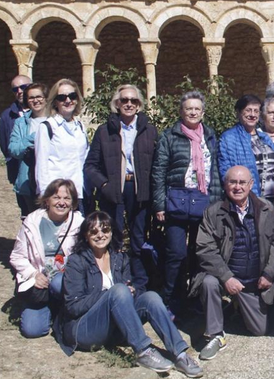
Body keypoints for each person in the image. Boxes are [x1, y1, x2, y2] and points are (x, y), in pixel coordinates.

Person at [56, 211, 203, 377]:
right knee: (118, 290)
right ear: (86, 235)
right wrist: (109, 294)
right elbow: (73, 306)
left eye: (105, 230)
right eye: (94, 232)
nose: (100, 235)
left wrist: (132, 292)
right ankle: (143, 352)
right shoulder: (77, 261)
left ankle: (180, 354)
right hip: (84, 329)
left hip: (114, 328)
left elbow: (130, 291)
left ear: (111, 232)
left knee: (151, 298)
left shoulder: (119, 258)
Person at [191, 166, 274, 359]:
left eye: (242, 182)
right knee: (208, 282)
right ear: (225, 185)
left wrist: (269, 273)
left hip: (252, 281)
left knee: (260, 329)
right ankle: (216, 334)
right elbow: (205, 249)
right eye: (232, 182)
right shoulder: (213, 213)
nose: (237, 187)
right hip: (225, 276)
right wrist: (226, 277)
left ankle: (232, 309)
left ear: (251, 184)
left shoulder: (266, 208)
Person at [152, 91, 222, 313]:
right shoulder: (170, 136)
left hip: (203, 202)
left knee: (198, 253)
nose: (193, 112)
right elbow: (159, 171)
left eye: (197, 109)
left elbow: (216, 173)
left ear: (202, 112)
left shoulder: (210, 136)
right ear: (181, 112)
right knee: (176, 253)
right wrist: (160, 205)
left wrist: (216, 203)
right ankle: (171, 299)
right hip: (177, 202)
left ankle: (194, 297)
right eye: (188, 108)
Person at [84, 84, 157, 293]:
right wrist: (105, 185)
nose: (128, 104)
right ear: (117, 103)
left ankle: (140, 284)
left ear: (139, 105)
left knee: (138, 238)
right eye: (124, 100)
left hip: (139, 190)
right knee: (113, 236)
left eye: (133, 101)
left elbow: (156, 163)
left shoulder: (149, 130)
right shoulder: (104, 131)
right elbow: (90, 165)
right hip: (114, 190)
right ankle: (116, 282)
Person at [10, 179, 83, 338]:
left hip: (64, 279)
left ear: (73, 203)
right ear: (47, 200)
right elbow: (17, 256)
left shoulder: (79, 223)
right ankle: (49, 306)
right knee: (32, 330)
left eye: (67, 198)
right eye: (56, 197)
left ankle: (62, 309)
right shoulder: (32, 222)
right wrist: (33, 275)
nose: (61, 203)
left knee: (58, 283)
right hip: (39, 281)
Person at [218, 94, 274, 217]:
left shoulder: (265, 138)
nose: (252, 114)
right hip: (247, 203)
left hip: (273, 202)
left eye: (256, 111)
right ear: (239, 113)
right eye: (248, 110)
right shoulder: (228, 138)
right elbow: (225, 172)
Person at [34, 78, 89, 214]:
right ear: (55, 101)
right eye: (62, 97)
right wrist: (45, 196)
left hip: (79, 192)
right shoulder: (47, 127)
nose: (68, 100)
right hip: (58, 195)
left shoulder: (80, 127)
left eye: (72, 96)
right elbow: (41, 164)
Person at [9, 82, 48, 218]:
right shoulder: (21, 123)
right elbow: (13, 149)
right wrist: (32, 138)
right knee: (33, 225)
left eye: (39, 96)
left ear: (46, 98)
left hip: (53, 183)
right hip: (28, 183)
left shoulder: (56, 120)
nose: (35, 100)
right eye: (31, 98)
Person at [0, 74, 31, 203]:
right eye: (15, 89)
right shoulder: (7, 116)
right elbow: (4, 144)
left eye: (23, 87)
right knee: (26, 212)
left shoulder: (45, 112)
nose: (19, 91)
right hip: (19, 173)